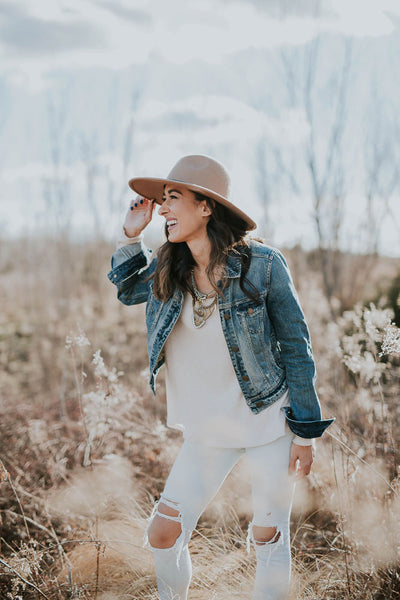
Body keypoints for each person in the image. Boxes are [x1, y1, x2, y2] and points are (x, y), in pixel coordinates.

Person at [107, 154, 334, 600]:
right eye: (162, 201)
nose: (163, 210)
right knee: (163, 533)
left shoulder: (262, 264)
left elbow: (296, 344)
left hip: (269, 420)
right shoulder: (169, 269)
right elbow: (128, 288)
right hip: (207, 430)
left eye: (173, 199)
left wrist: (305, 432)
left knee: (269, 536)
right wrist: (131, 235)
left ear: (206, 207)